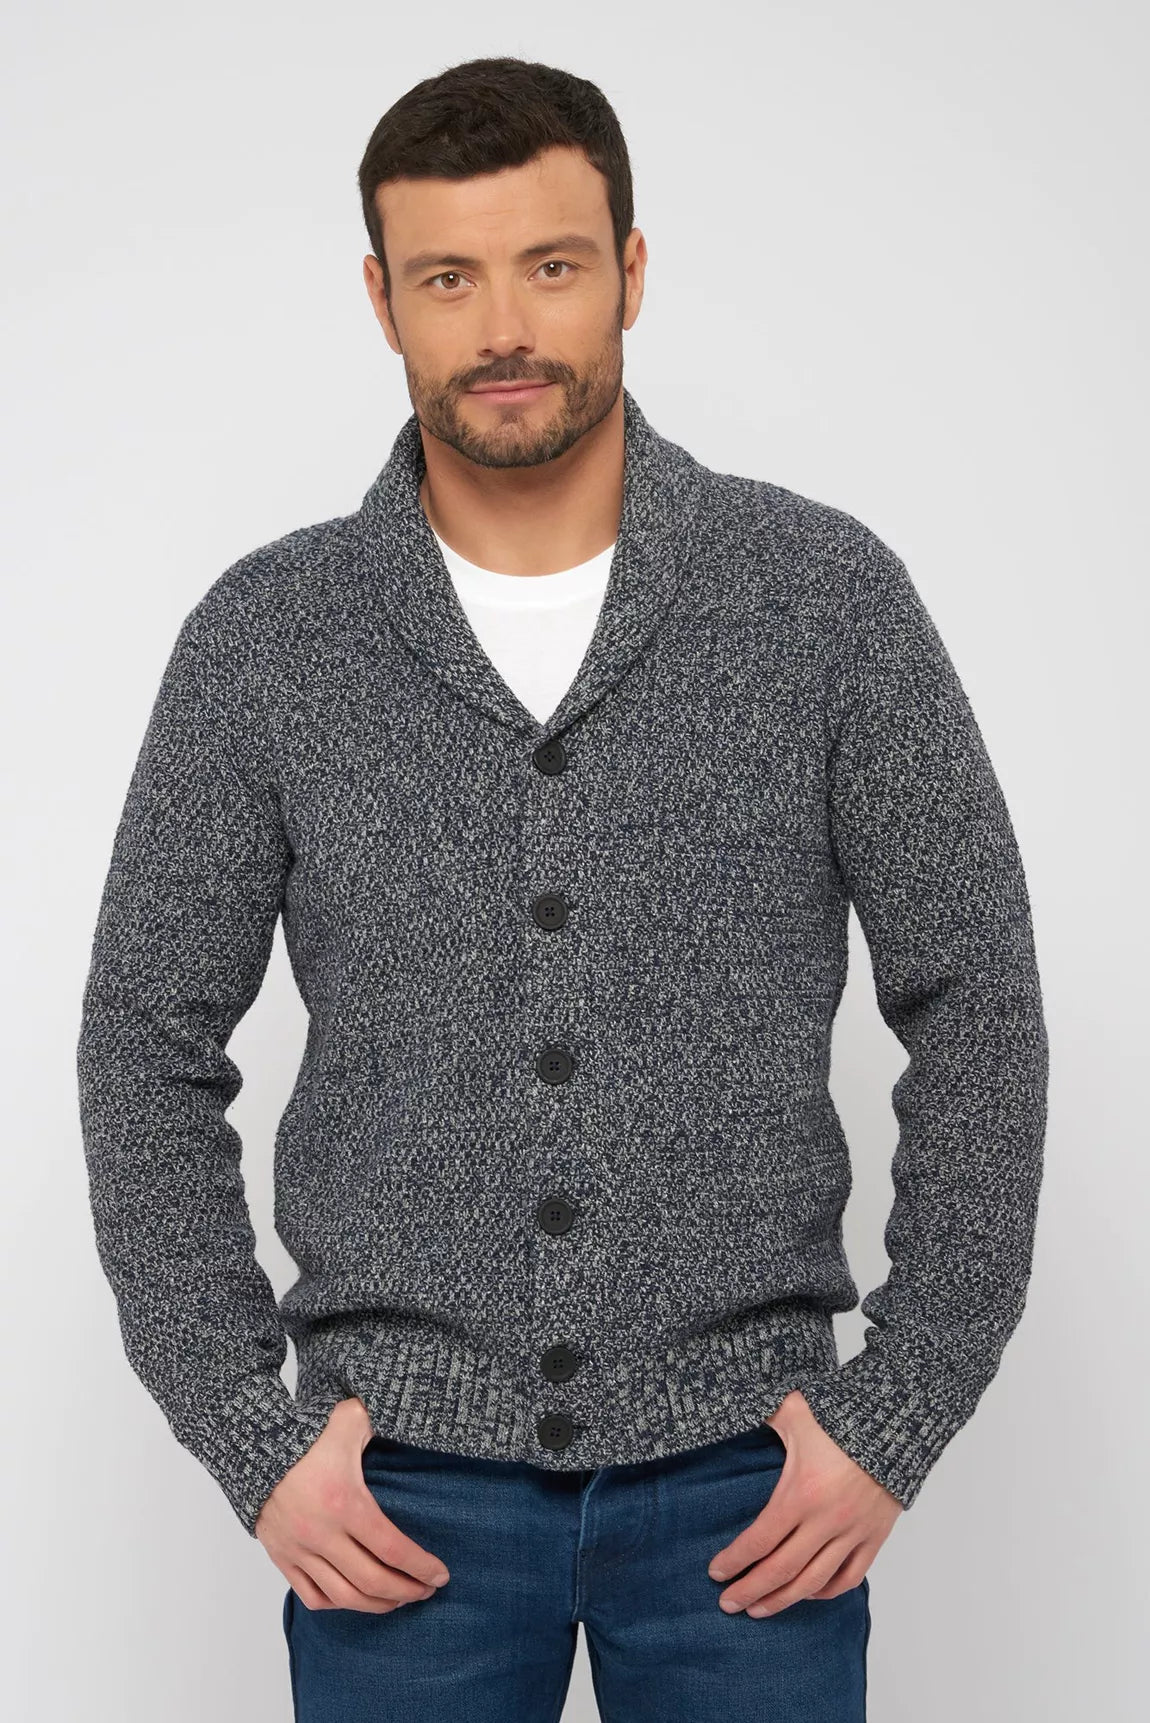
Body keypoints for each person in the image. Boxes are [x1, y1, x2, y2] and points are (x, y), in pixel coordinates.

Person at [76, 54, 1049, 1723]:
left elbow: (977, 1001)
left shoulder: (819, 598)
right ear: (382, 301)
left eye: (550, 264)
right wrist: (249, 1436)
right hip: (398, 1497)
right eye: (448, 278)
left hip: (752, 1481)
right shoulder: (268, 639)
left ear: (631, 272)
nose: (505, 327)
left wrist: (902, 1408)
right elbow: (140, 1040)